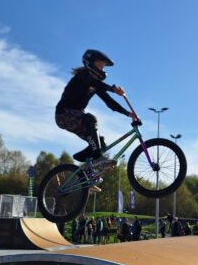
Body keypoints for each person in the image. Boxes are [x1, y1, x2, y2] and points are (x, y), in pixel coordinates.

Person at [55, 50, 137, 179]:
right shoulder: (83, 76)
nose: (102, 68)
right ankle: (97, 158)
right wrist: (113, 89)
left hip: (75, 117)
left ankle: (86, 177)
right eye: (100, 65)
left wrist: (128, 113)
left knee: (100, 143)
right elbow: (95, 83)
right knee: (91, 119)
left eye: (103, 66)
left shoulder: (95, 83)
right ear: (90, 63)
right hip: (64, 114)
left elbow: (109, 103)